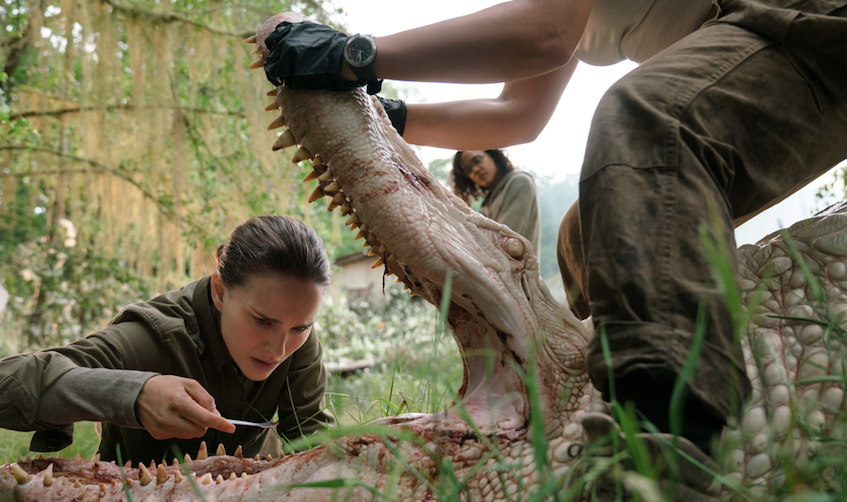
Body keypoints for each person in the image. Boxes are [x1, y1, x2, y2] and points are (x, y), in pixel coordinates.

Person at [255, 0, 846, 483]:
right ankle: (602, 383)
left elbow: (543, 35)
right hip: (748, 48)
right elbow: (521, 111)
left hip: (808, 19)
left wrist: (354, 55)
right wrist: (392, 116)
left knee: (645, 118)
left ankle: (665, 442)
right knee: (587, 232)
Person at [0, 215, 332, 464]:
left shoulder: (296, 335)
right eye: (262, 321)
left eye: (301, 328)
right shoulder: (153, 337)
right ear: (219, 290)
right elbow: (7, 382)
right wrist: (133, 395)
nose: (279, 348)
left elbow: (313, 447)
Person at [452, 149, 541, 252]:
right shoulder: (488, 201)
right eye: (468, 170)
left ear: (492, 154)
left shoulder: (520, 182)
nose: (475, 170)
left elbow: (503, 242)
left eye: (477, 160)